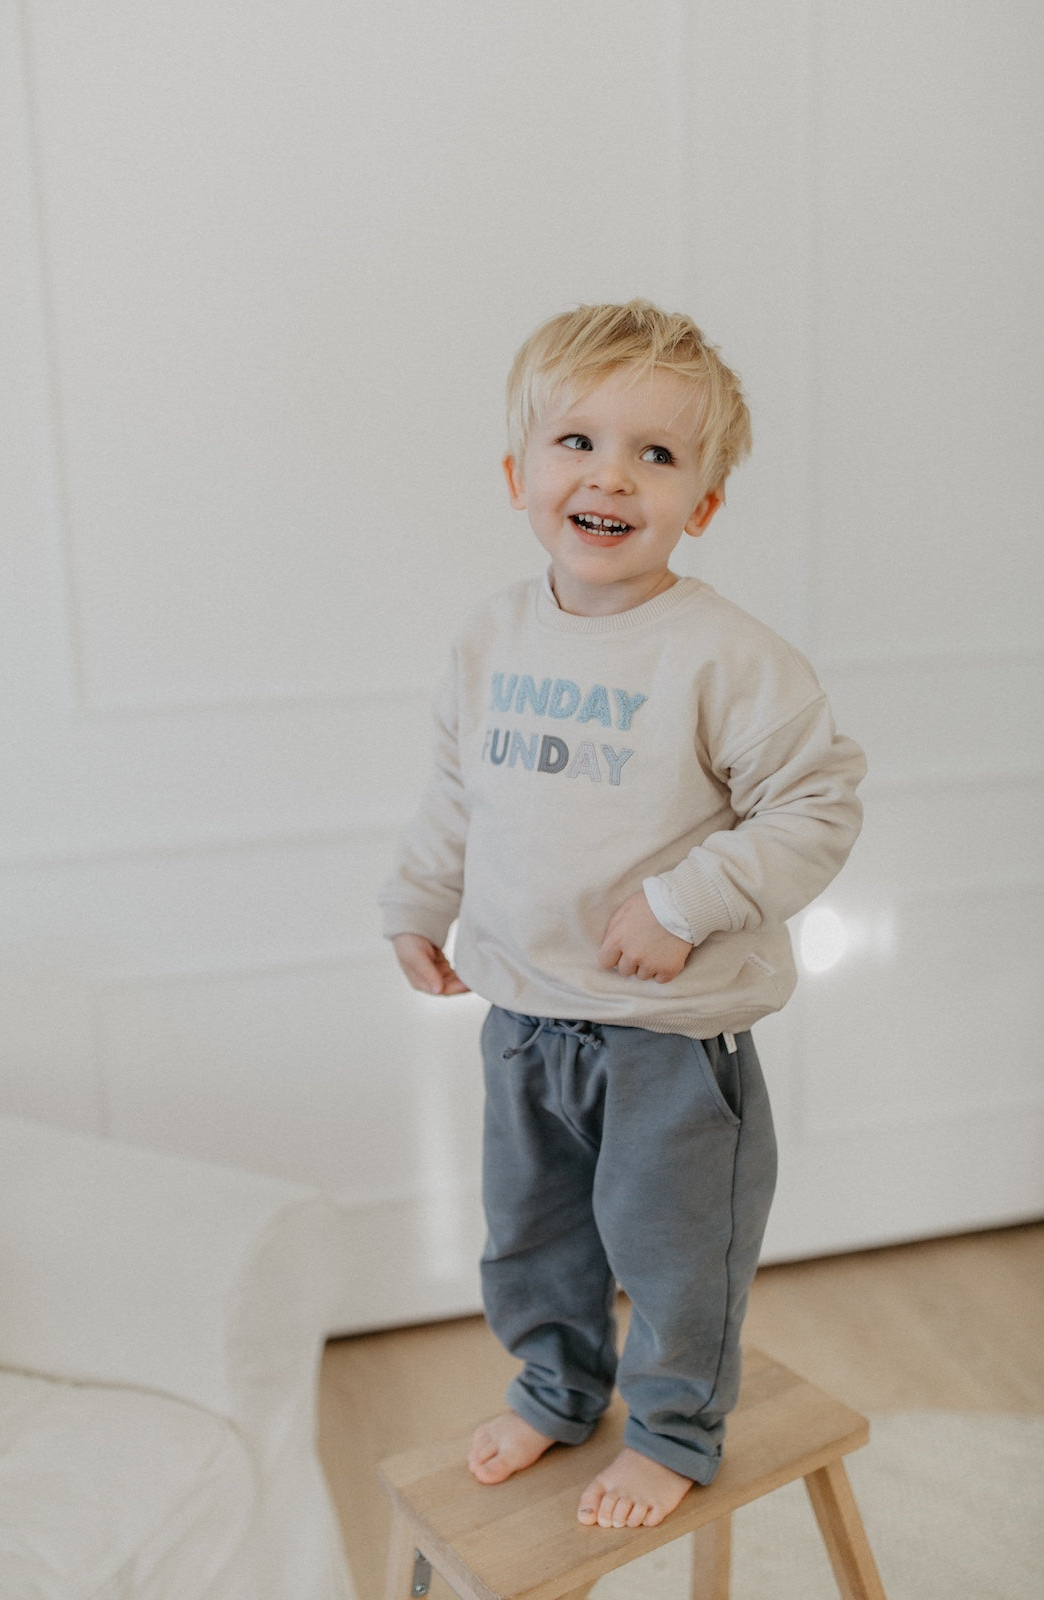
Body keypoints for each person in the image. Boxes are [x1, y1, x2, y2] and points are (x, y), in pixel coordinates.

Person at [378, 299, 866, 1531]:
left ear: (699, 504)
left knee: (670, 1258)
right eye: (576, 442)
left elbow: (815, 802)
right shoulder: (491, 634)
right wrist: (418, 898)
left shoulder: (722, 656)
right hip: (524, 1017)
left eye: (656, 455)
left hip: (667, 1039)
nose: (610, 476)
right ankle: (553, 1389)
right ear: (517, 474)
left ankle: (670, 1430)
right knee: (532, 1238)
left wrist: (685, 901)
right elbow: (457, 789)